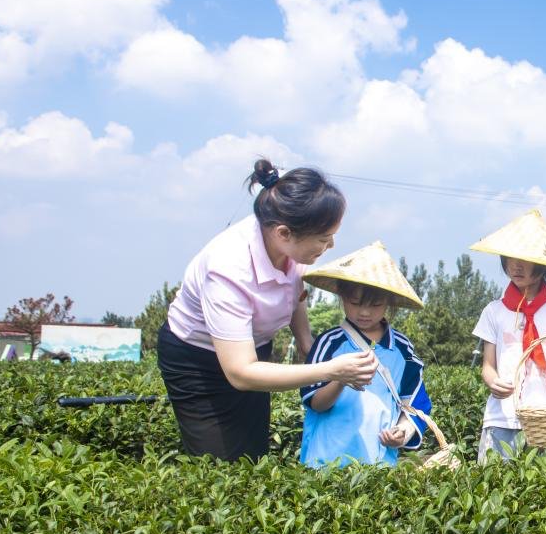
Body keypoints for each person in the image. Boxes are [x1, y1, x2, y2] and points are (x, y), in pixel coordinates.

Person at [157, 159, 377, 462]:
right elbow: (241, 373)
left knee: (253, 453)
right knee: (219, 463)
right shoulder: (228, 268)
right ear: (284, 233)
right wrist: (332, 369)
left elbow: (294, 291)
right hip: (198, 360)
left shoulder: (291, 244)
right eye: (324, 239)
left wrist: (305, 342)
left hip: (253, 349)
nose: (330, 245)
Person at [298, 241, 432, 468]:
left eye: (376, 304)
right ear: (341, 296)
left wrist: (403, 432)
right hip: (325, 463)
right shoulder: (329, 343)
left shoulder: (401, 348)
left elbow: (416, 405)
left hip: (377, 464)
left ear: (389, 303)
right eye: (355, 302)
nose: (364, 312)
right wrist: (340, 379)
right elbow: (315, 403)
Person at [468, 209, 546, 461]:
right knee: (493, 486)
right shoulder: (494, 311)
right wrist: (492, 381)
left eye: (525, 259)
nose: (515, 265)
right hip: (502, 416)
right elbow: (488, 365)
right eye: (510, 257)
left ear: (543, 266)